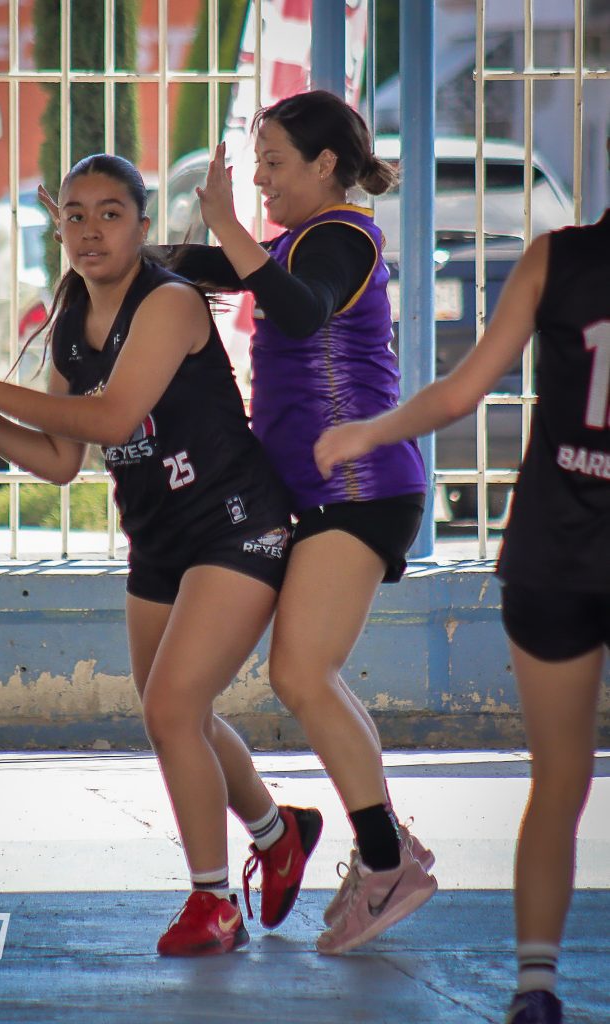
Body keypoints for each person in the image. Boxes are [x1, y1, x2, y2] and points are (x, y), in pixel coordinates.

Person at [39, 90, 438, 953]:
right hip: (322, 492)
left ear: (325, 165)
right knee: (303, 677)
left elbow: (299, 308)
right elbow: (193, 268)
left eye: (274, 163)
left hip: (359, 486)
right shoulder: (291, 245)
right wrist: (100, 233)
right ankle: (381, 849)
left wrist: (223, 224)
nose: (260, 179)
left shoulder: (343, 237)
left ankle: (386, 863)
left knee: (300, 673)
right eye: (256, 164)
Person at [0, 153, 325, 957]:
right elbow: (61, 460)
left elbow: (113, 418)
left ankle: (213, 903)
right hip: (160, 540)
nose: (91, 229)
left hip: (236, 523)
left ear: (142, 226)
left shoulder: (168, 303)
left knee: (170, 709)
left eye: (110, 213)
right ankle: (279, 835)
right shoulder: (70, 324)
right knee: (179, 714)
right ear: (58, 227)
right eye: (75, 214)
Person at [315, 209, 610, 1024]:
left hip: (552, 556)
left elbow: (461, 392)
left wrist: (371, 432)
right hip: (558, 559)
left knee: (559, 782)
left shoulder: (556, 258)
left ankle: (535, 988)